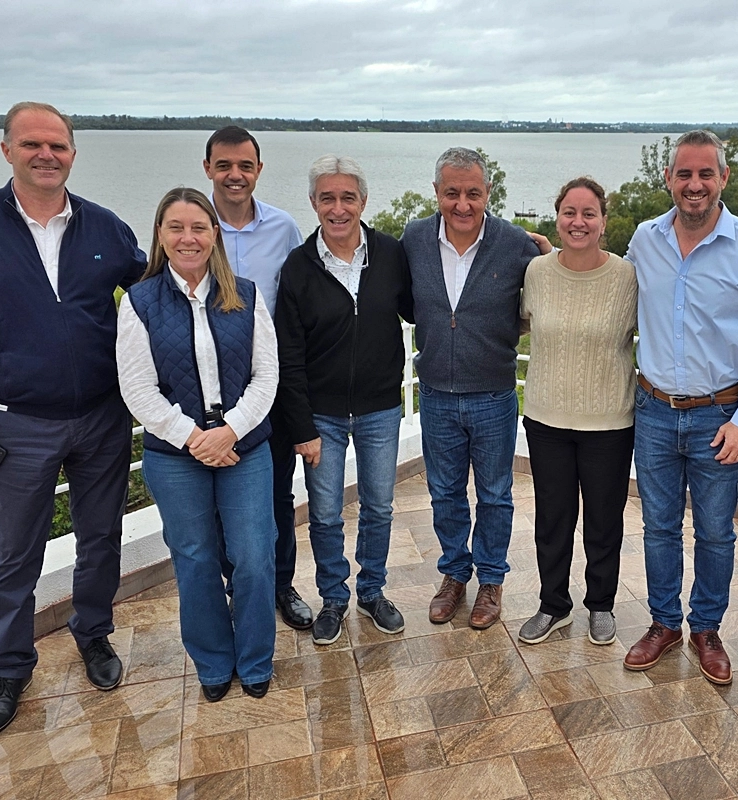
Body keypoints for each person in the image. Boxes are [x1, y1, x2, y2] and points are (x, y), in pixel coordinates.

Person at [0, 102, 145, 737]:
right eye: (32, 144)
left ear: (72, 154)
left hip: (102, 417)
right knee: (13, 554)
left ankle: (94, 635)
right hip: (14, 423)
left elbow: (155, 296)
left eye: (58, 146)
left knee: (101, 539)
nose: (47, 155)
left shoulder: (104, 228)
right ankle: (8, 668)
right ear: (6, 150)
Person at [622, 130, 738, 685]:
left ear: (724, 178)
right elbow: (606, 285)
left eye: (706, 174)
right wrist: (544, 250)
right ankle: (664, 623)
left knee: (716, 532)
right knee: (658, 527)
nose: (695, 185)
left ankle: (706, 628)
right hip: (653, 411)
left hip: (720, 416)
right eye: (684, 174)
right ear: (668, 179)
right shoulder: (645, 240)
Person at [117, 188, 280, 702]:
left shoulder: (247, 296)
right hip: (175, 455)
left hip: (243, 448)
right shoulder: (139, 303)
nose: (188, 238)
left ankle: (254, 660)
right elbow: (137, 388)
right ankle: (213, 663)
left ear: (214, 236)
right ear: (160, 236)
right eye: (175, 228)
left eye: (198, 228)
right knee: (195, 560)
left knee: (254, 556)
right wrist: (194, 438)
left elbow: (266, 375)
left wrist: (229, 430)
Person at [402, 147, 545, 630]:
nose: (462, 204)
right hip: (437, 393)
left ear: (488, 193)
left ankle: (491, 580)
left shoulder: (513, 243)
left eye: (473, 193)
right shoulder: (415, 238)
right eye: (452, 193)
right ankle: (454, 575)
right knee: (444, 493)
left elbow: (546, 289)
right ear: (437, 193)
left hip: (493, 395)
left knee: (495, 494)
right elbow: (404, 301)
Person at [273, 155, 413, 645]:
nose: (338, 208)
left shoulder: (392, 255)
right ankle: (334, 597)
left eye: (347, 197)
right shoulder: (297, 267)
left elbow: (426, 309)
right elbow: (287, 355)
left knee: (379, 508)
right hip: (321, 415)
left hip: (379, 408)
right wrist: (301, 427)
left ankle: (372, 591)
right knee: (326, 513)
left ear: (363, 202)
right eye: (327, 198)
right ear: (313, 203)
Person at [516, 177, 637, 647]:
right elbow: (521, 323)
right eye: (570, 212)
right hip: (546, 419)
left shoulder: (626, 276)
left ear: (604, 221)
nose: (578, 221)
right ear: (557, 217)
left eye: (589, 213)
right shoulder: (537, 273)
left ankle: (601, 605)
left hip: (608, 421)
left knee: (604, 521)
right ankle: (553, 605)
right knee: (552, 519)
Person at [203, 126, 309, 631]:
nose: (235, 175)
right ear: (208, 169)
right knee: (217, 501)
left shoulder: (284, 229)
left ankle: (280, 584)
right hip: (208, 391)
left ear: (259, 170)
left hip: (271, 388)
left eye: (245, 165)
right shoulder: (194, 229)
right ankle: (234, 586)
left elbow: (300, 298)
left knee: (276, 496)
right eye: (224, 165)